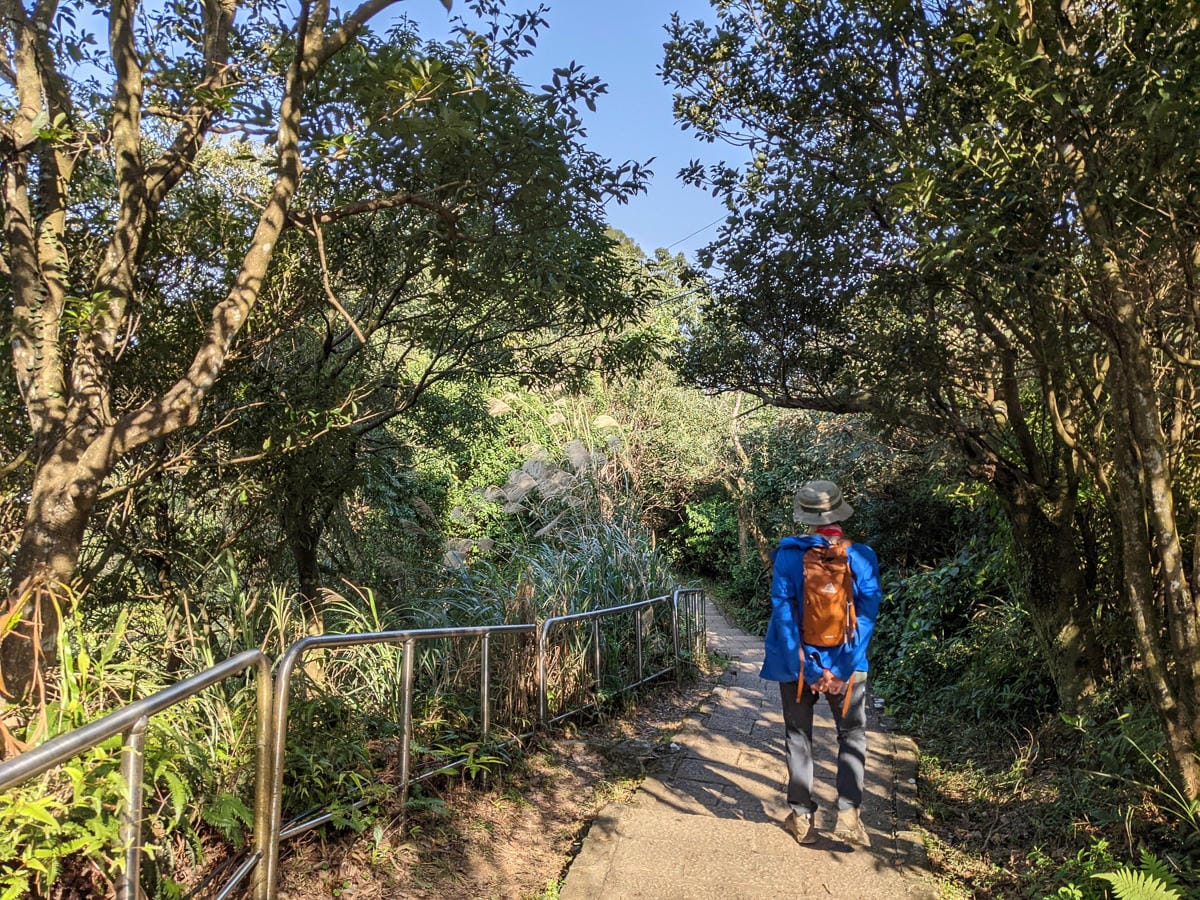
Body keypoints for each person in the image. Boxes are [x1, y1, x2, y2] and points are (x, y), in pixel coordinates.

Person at [760, 479, 881, 847]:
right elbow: (867, 615)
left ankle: (802, 818)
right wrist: (842, 668)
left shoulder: (788, 556)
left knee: (799, 737)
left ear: (805, 517)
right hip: (847, 665)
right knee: (851, 735)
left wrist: (810, 669)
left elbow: (783, 616)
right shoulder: (861, 557)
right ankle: (848, 815)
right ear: (840, 512)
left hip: (796, 666)